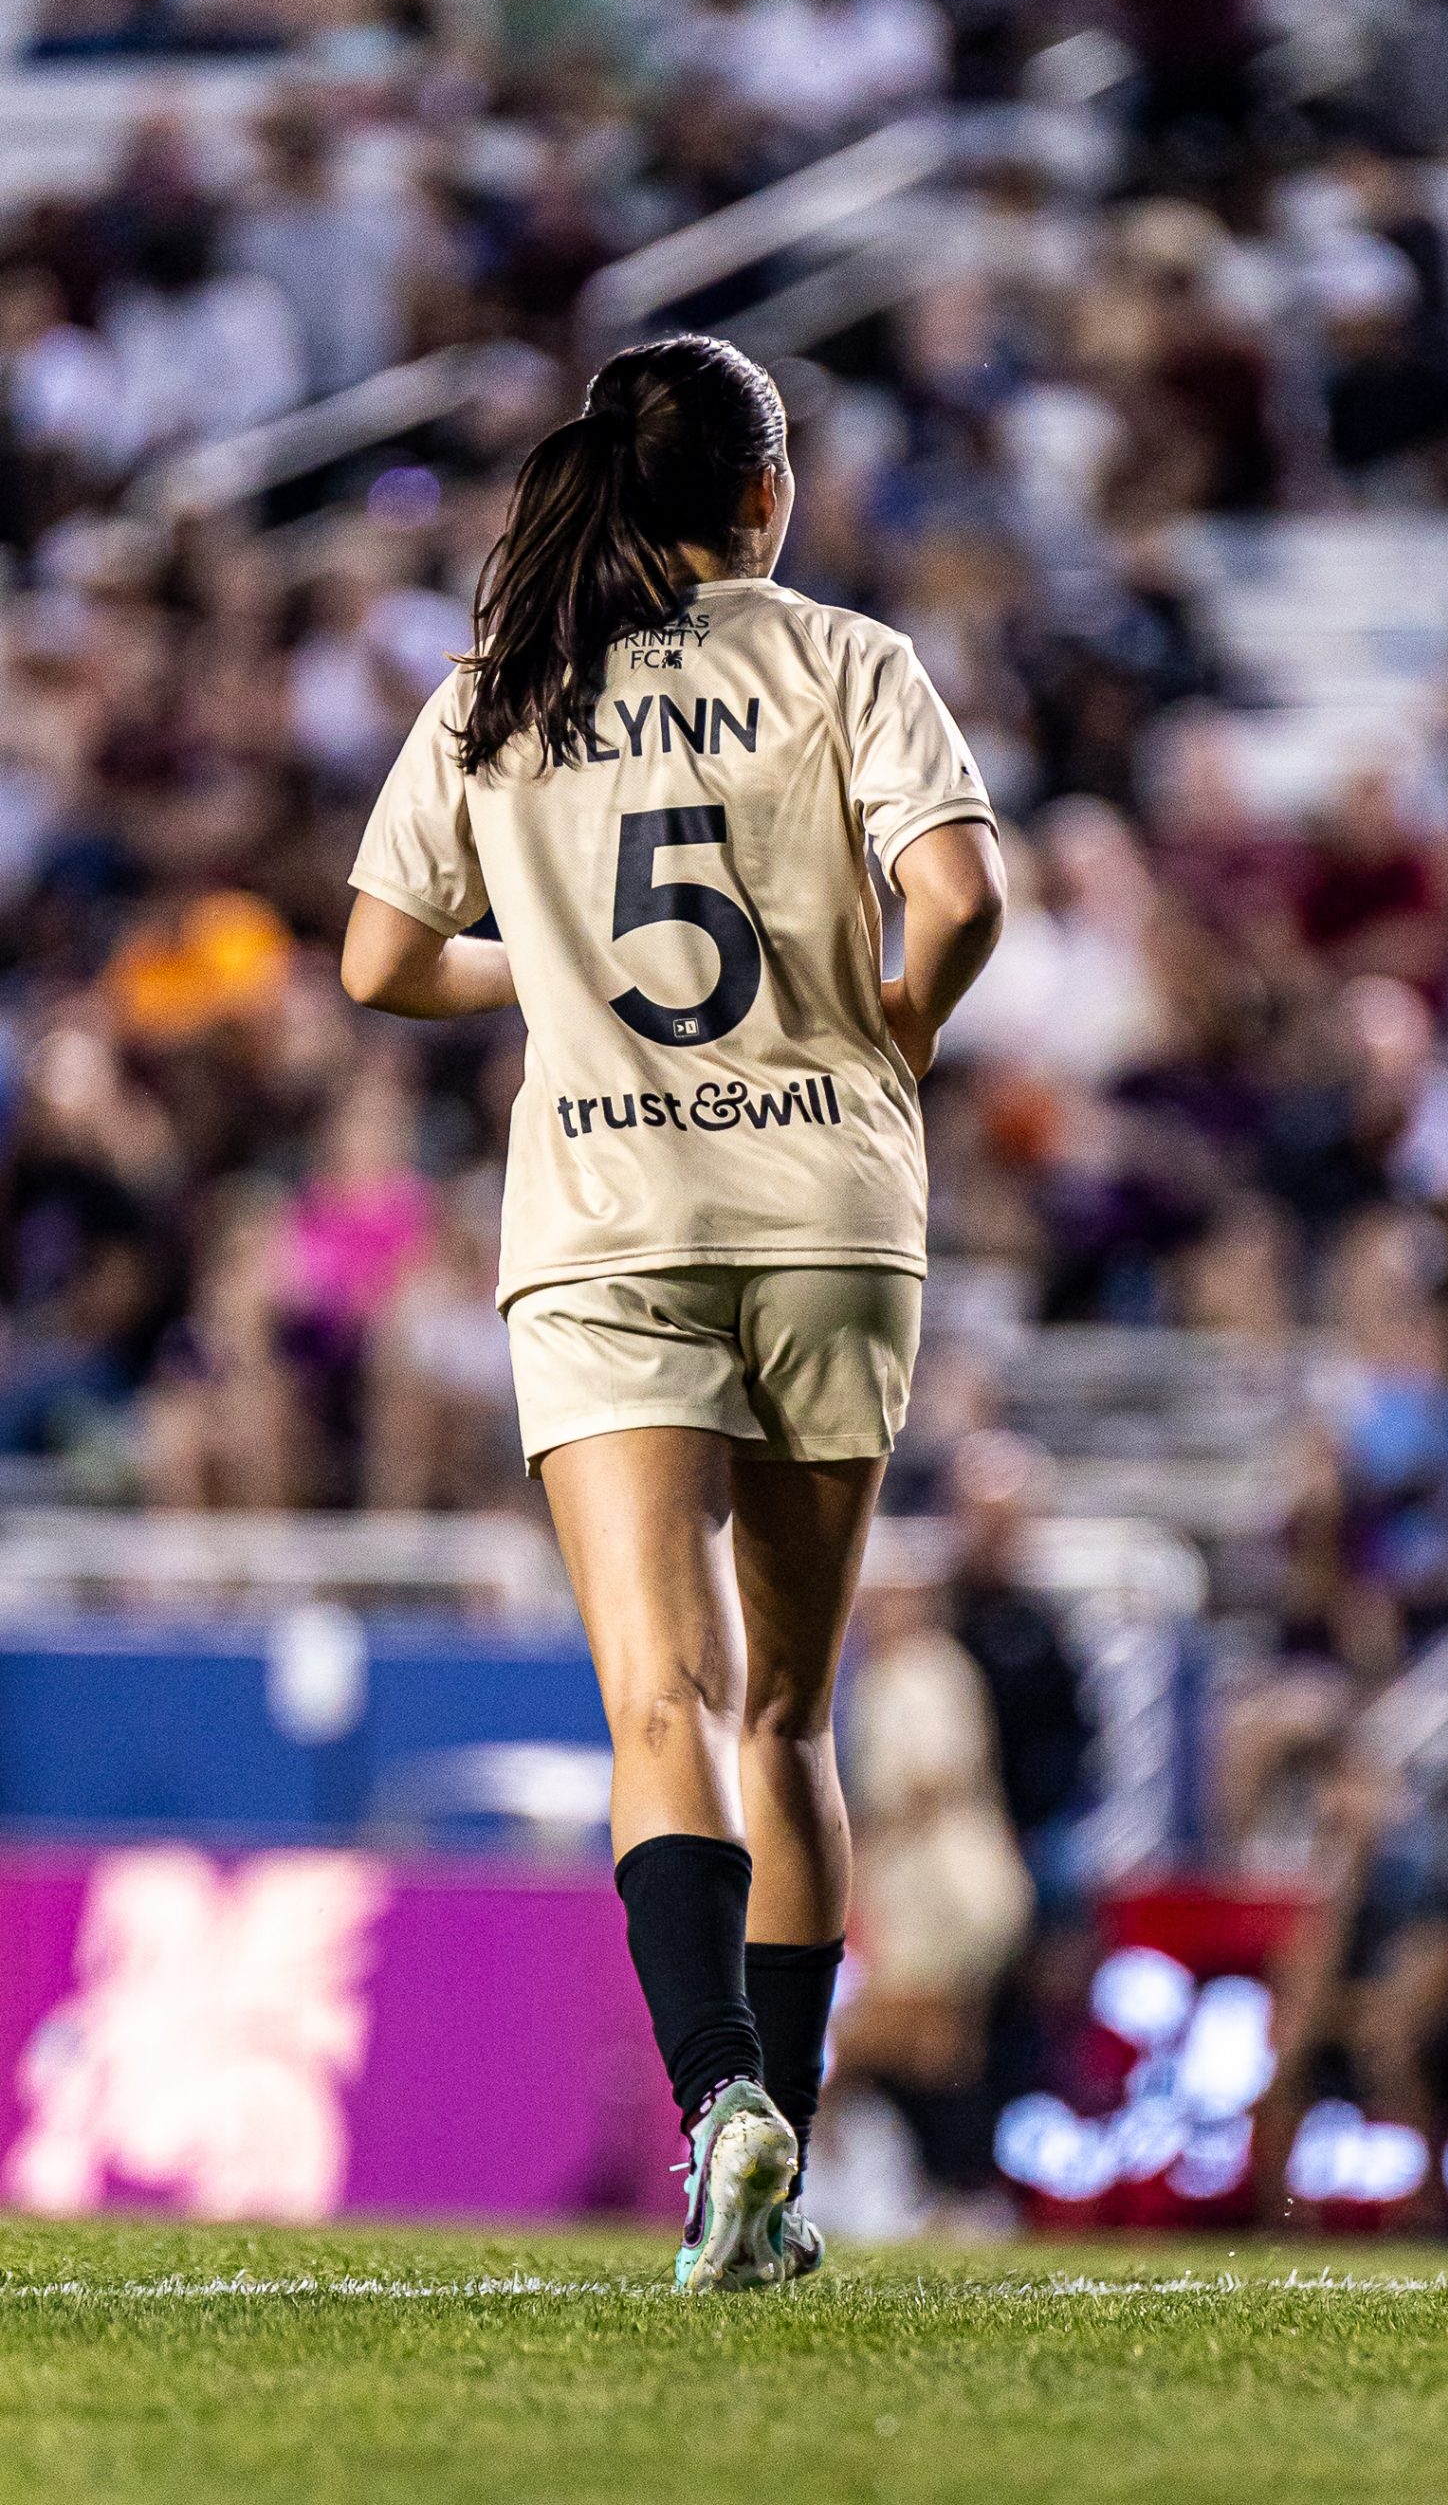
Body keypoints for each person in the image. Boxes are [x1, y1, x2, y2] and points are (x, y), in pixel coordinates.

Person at [340, 333, 1005, 2288]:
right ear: (767, 494)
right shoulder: (847, 662)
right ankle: (779, 2175)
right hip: (823, 1210)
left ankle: (720, 2103)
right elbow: (957, 894)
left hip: (609, 1221)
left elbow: (377, 953)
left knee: (662, 1697)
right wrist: (895, 1023)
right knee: (792, 1711)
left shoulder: (508, 680)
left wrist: (543, 978)